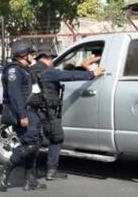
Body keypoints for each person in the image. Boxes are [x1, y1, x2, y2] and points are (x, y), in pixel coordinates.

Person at [32, 47, 105, 180]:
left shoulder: (30, 71)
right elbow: (69, 75)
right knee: (56, 138)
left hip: (32, 112)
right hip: (48, 112)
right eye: (52, 59)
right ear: (48, 58)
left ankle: (32, 171)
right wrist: (92, 74)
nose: (53, 62)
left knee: (34, 141)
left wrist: (83, 67)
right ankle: (51, 171)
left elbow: (65, 73)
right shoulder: (48, 72)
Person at [0, 41, 45, 191]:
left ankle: (30, 179)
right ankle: (6, 169)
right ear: (23, 54)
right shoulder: (14, 70)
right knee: (30, 144)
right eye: (30, 54)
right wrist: (22, 115)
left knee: (35, 142)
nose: (32, 57)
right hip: (22, 112)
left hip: (31, 111)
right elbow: (15, 96)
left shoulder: (24, 70)